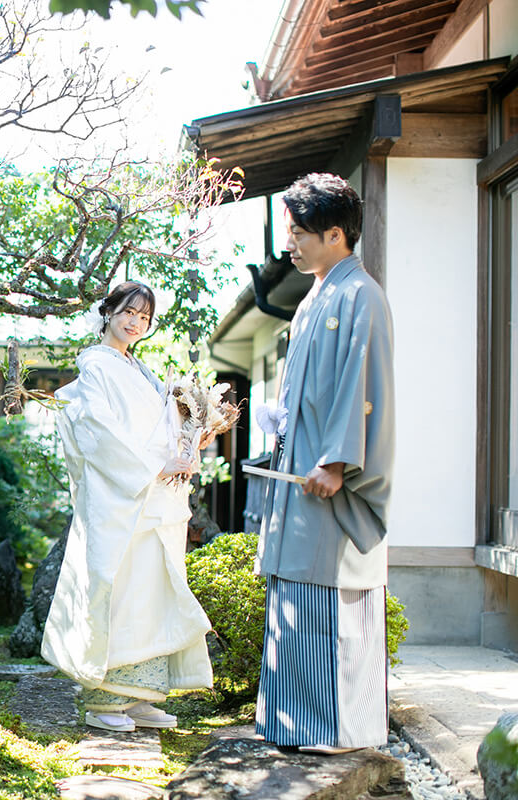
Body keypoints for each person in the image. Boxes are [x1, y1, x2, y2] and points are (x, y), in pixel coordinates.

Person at [255, 173, 395, 755]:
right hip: (300, 474)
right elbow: (311, 390)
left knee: (326, 595)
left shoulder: (360, 294)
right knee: (294, 590)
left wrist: (338, 463)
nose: (289, 244)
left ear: (335, 234)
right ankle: (291, 724)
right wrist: (279, 419)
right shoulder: (317, 294)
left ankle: (334, 730)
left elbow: (361, 383)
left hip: (327, 482)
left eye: (298, 233)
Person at [42, 281, 213, 733]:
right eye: (129, 312)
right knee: (121, 593)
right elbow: (99, 429)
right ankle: (104, 701)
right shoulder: (96, 364)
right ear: (109, 311)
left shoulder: (139, 369)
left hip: (153, 499)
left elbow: (162, 422)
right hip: (124, 496)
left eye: (144, 316)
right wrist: (155, 466)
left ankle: (141, 697)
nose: (136, 322)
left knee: (151, 594)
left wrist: (192, 437)